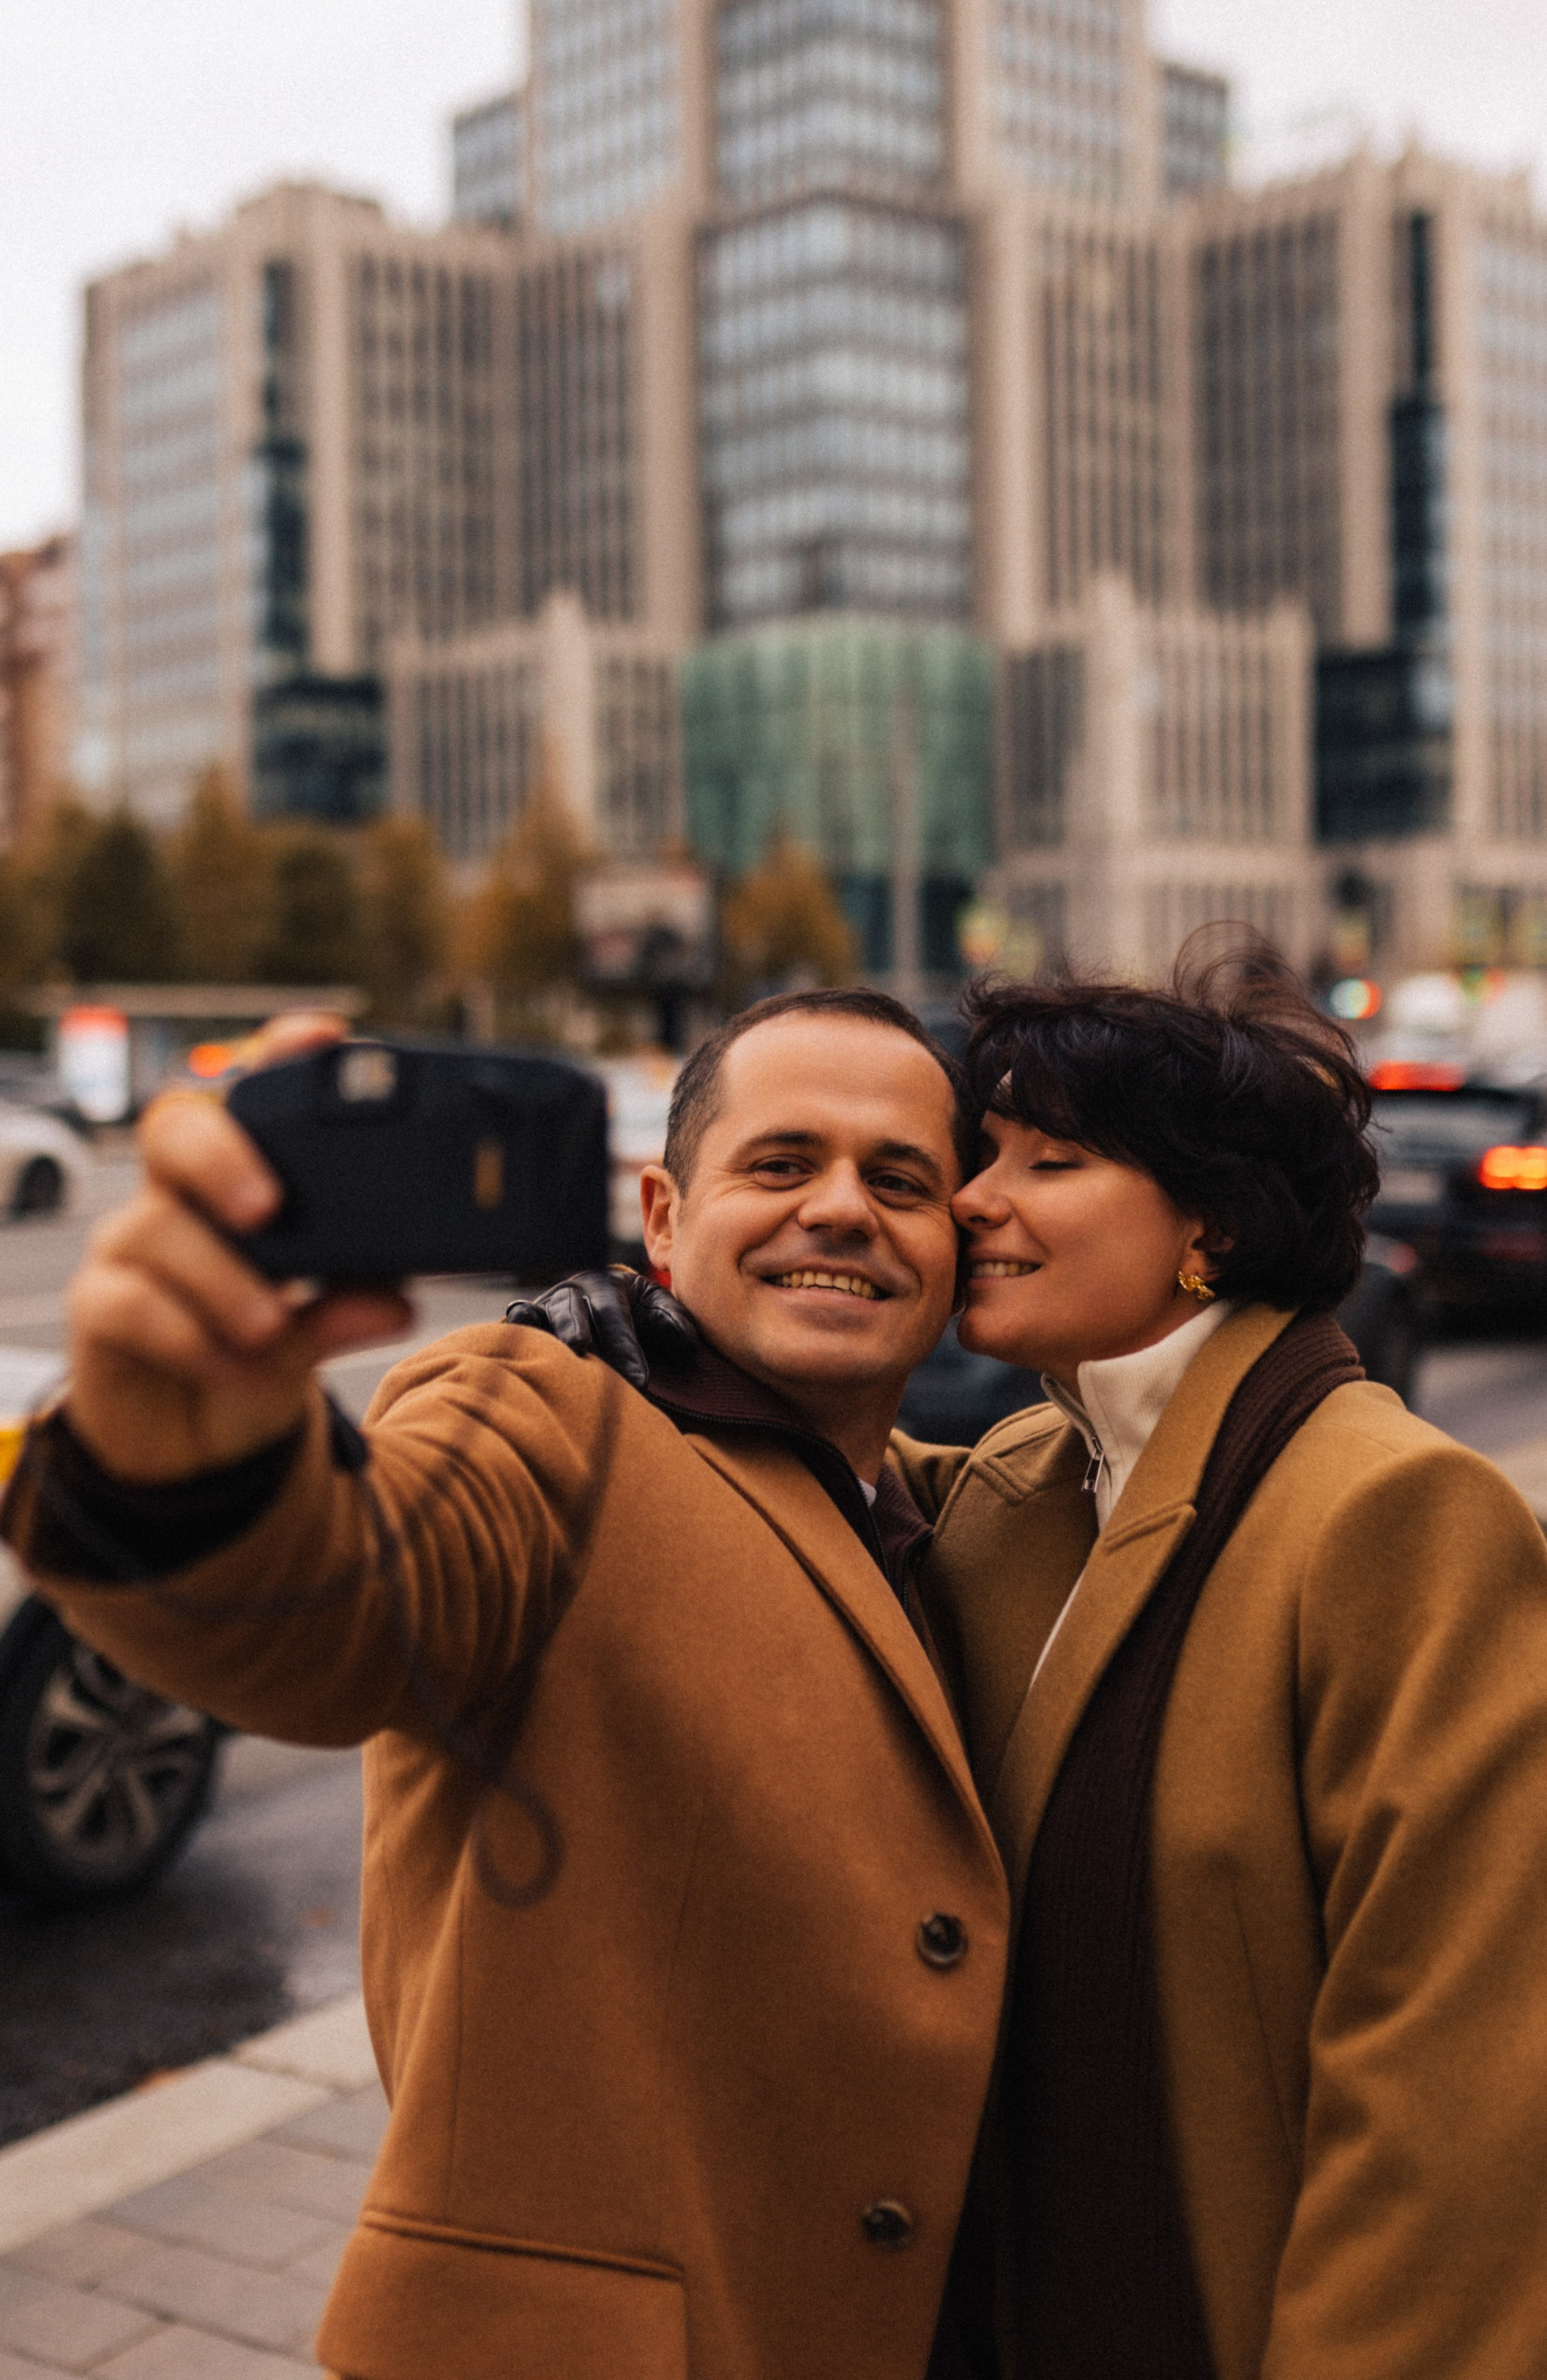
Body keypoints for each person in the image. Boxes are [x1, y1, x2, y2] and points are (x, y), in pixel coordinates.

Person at [539, 942, 1547, 2380]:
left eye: (1045, 1161)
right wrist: (656, 1351)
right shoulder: (1033, 1477)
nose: (968, 1200)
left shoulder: (1390, 1519)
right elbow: (813, 1501)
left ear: (1206, 1220)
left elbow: (1450, 2122)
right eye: (980, 1149)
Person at [0, 989, 1009, 2380]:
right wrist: (193, 1457)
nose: (842, 1209)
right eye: (782, 1165)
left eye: (901, 1180)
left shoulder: (973, 1516)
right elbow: (336, 1615)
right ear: (660, 1217)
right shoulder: (544, 1411)